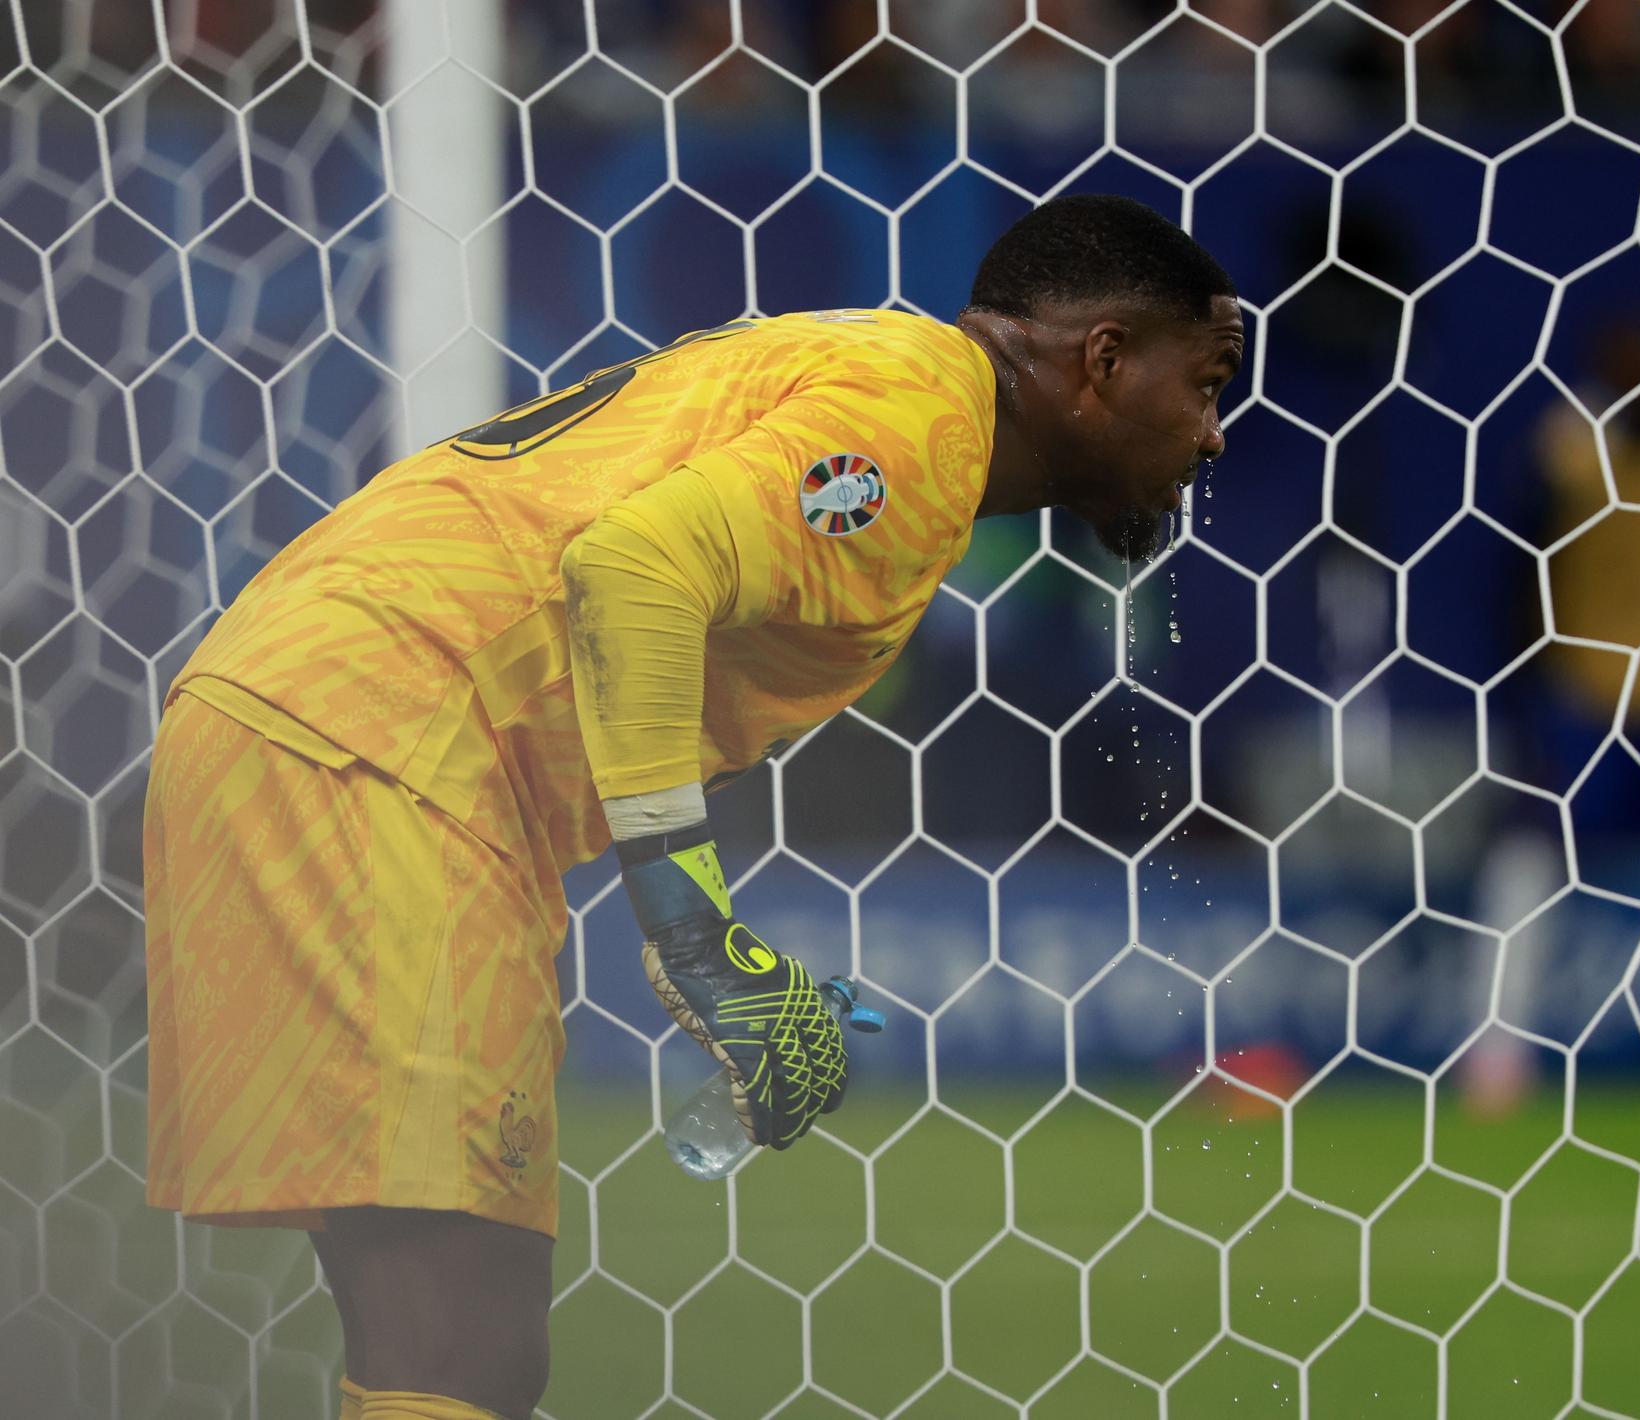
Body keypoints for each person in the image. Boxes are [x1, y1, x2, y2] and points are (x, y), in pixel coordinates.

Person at [142, 193, 1240, 1420]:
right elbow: (633, 570)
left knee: (440, 1324)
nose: (1208, 436)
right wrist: (694, 936)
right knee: (458, 1335)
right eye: (1204, 384)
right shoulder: (923, 415)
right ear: (1100, 361)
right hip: (377, 741)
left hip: (326, 722)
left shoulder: (888, 385)